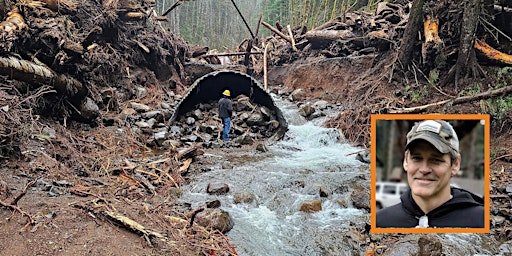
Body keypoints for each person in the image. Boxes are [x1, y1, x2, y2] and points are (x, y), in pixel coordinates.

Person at [376, 120, 484, 228]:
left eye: (436, 160)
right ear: (405, 161)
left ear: (455, 164)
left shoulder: (480, 220)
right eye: (417, 158)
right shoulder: (380, 221)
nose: (424, 169)